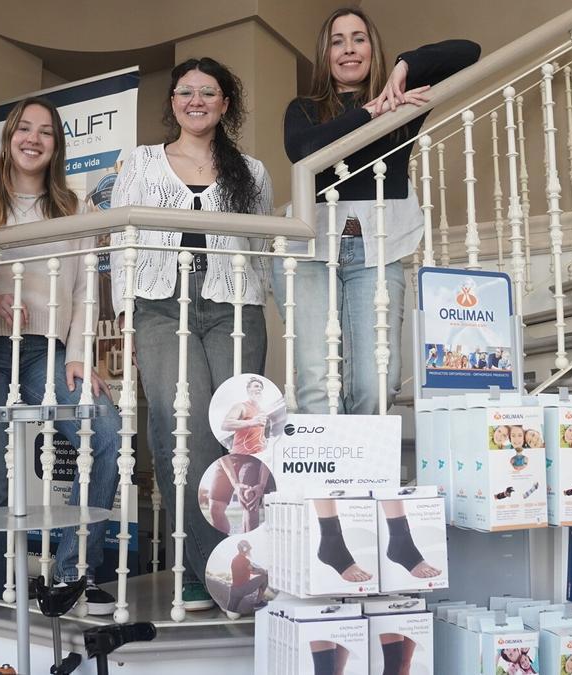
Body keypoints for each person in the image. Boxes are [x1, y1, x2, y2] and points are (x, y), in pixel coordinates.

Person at [0, 97, 122, 615]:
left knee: (106, 434)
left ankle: (71, 570)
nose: (34, 139)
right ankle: (2, 593)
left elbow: (89, 289)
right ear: (8, 138)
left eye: (46, 132)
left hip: (48, 352)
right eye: (25, 129)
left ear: (57, 145)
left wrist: (78, 352)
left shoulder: (78, 209)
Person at [111, 57, 274, 610]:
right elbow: (121, 242)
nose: (196, 99)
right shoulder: (141, 161)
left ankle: (243, 556)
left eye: (209, 92)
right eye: (186, 91)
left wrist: (266, 305)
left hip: (234, 306)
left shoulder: (250, 171)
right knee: (183, 432)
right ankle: (205, 565)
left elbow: (262, 249)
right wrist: (128, 315)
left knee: (238, 438)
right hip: (159, 304)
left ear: (226, 103)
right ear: (173, 101)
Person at [273, 7, 479, 414]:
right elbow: (305, 151)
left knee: (377, 382)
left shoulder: (404, 99)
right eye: (337, 41)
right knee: (317, 384)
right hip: (308, 251)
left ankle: (361, 473)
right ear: (325, 53)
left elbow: (467, 51)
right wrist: (370, 112)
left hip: (377, 249)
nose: (349, 49)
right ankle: (330, 476)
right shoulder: (304, 108)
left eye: (359, 39)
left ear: (373, 47)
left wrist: (403, 68)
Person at [226, 539, 269, 613]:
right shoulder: (244, 560)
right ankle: (259, 602)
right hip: (242, 588)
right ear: (245, 549)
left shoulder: (235, 559)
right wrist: (264, 571)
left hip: (234, 590)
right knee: (265, 577)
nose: (249, 551)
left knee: (231, 612)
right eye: (248, 549)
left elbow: (250, 571)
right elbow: (253, 570)